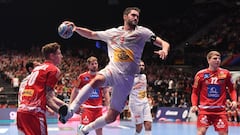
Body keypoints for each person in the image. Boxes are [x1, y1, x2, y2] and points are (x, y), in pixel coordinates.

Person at [59, 7, 170, 135]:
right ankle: (70, 111)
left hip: (127, 79)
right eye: (133, 15)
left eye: (137, 16)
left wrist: (164, 50)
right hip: (113, 70)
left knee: (111, 117)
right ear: (125, 17)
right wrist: (76, 28)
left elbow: (164, 43)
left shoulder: (143, 32)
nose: (136, 18)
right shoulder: (112, 33)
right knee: (97, 80)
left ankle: (85, 129)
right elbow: (91, 34)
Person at [17, 42, 68, 135]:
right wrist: (61, 111)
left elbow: (46, 95)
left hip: (21, 112)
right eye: (59, 53)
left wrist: (66, 107)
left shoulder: (37, 68)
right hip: (35, 113)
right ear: (52, 55)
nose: (62, 56)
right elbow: (49, 98)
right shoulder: (53, 70)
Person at [191, 51, 237, 135]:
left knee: (223, 133)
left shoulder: (226, 73)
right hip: (204, 110)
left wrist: (234, 100)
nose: (218, 60)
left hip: (220, 111)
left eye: (219, 58)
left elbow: (232, 89)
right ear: (208, 60)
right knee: (201, 132)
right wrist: (194, 105)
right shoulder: (200, 75)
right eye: (215, 58)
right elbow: (195, 92)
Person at [70, 56, 110, 135]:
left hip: (98, 109)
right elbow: (75, 90)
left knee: (99, 131)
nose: (94, 65)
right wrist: (71, 104)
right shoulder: (82, 77)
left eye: (96, 63)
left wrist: (108, 105)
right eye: (92, 64)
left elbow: (105, 92)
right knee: (82, 131)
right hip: (87, 108)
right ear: (88, 66)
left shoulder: (101, 77)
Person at [129, 60, 152, 135]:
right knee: (139, 127)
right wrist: (133, 87)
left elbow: (144, 89)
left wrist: (147, 97)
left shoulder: (144, 76)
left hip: (145, 102)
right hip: (135, 104)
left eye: (143, 65)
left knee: (148, 124)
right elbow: (123, 89)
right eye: (140, 65)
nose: (142, 67)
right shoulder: (130, 77)